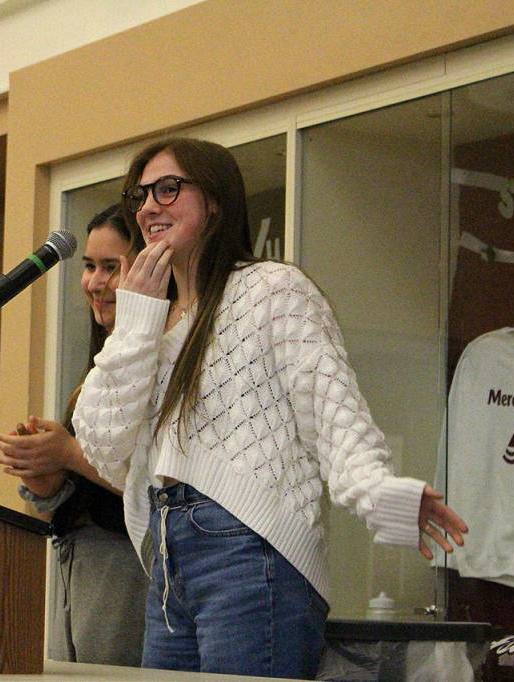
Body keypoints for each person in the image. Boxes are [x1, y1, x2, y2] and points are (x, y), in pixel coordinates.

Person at [71, 138, 469, 678]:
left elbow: (332, 412)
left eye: (168, 189)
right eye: (139, 195)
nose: (147, 207)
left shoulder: (271, 290)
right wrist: (138, 316)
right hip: (166, 556)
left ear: (214, 200)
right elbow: (100, 443)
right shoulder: (148, 323)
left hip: (249, 550)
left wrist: (381, 495)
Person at [0, 205, 149, 666]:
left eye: (111, 267)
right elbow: (88, 485)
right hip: (77, 563)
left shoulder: (161, 355)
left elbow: (157, 480)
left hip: (130, 567)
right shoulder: (102, 359)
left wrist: (67, 451)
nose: (95, 283)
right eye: (89, 267)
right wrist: (47, 478)